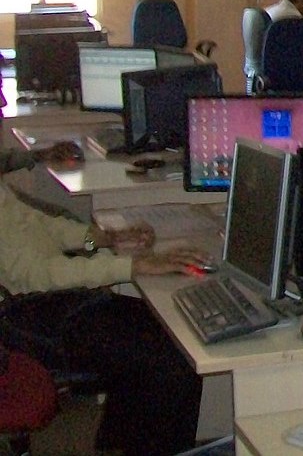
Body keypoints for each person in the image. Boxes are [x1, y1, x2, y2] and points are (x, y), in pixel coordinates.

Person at [0, 146, 208, 456]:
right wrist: (132, 266)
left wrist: (101, 237)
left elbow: (39, 226)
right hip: (28, 320)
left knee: (175, 334)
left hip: (53, 302)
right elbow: (35, 275)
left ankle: (117, 446)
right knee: (172, 358)